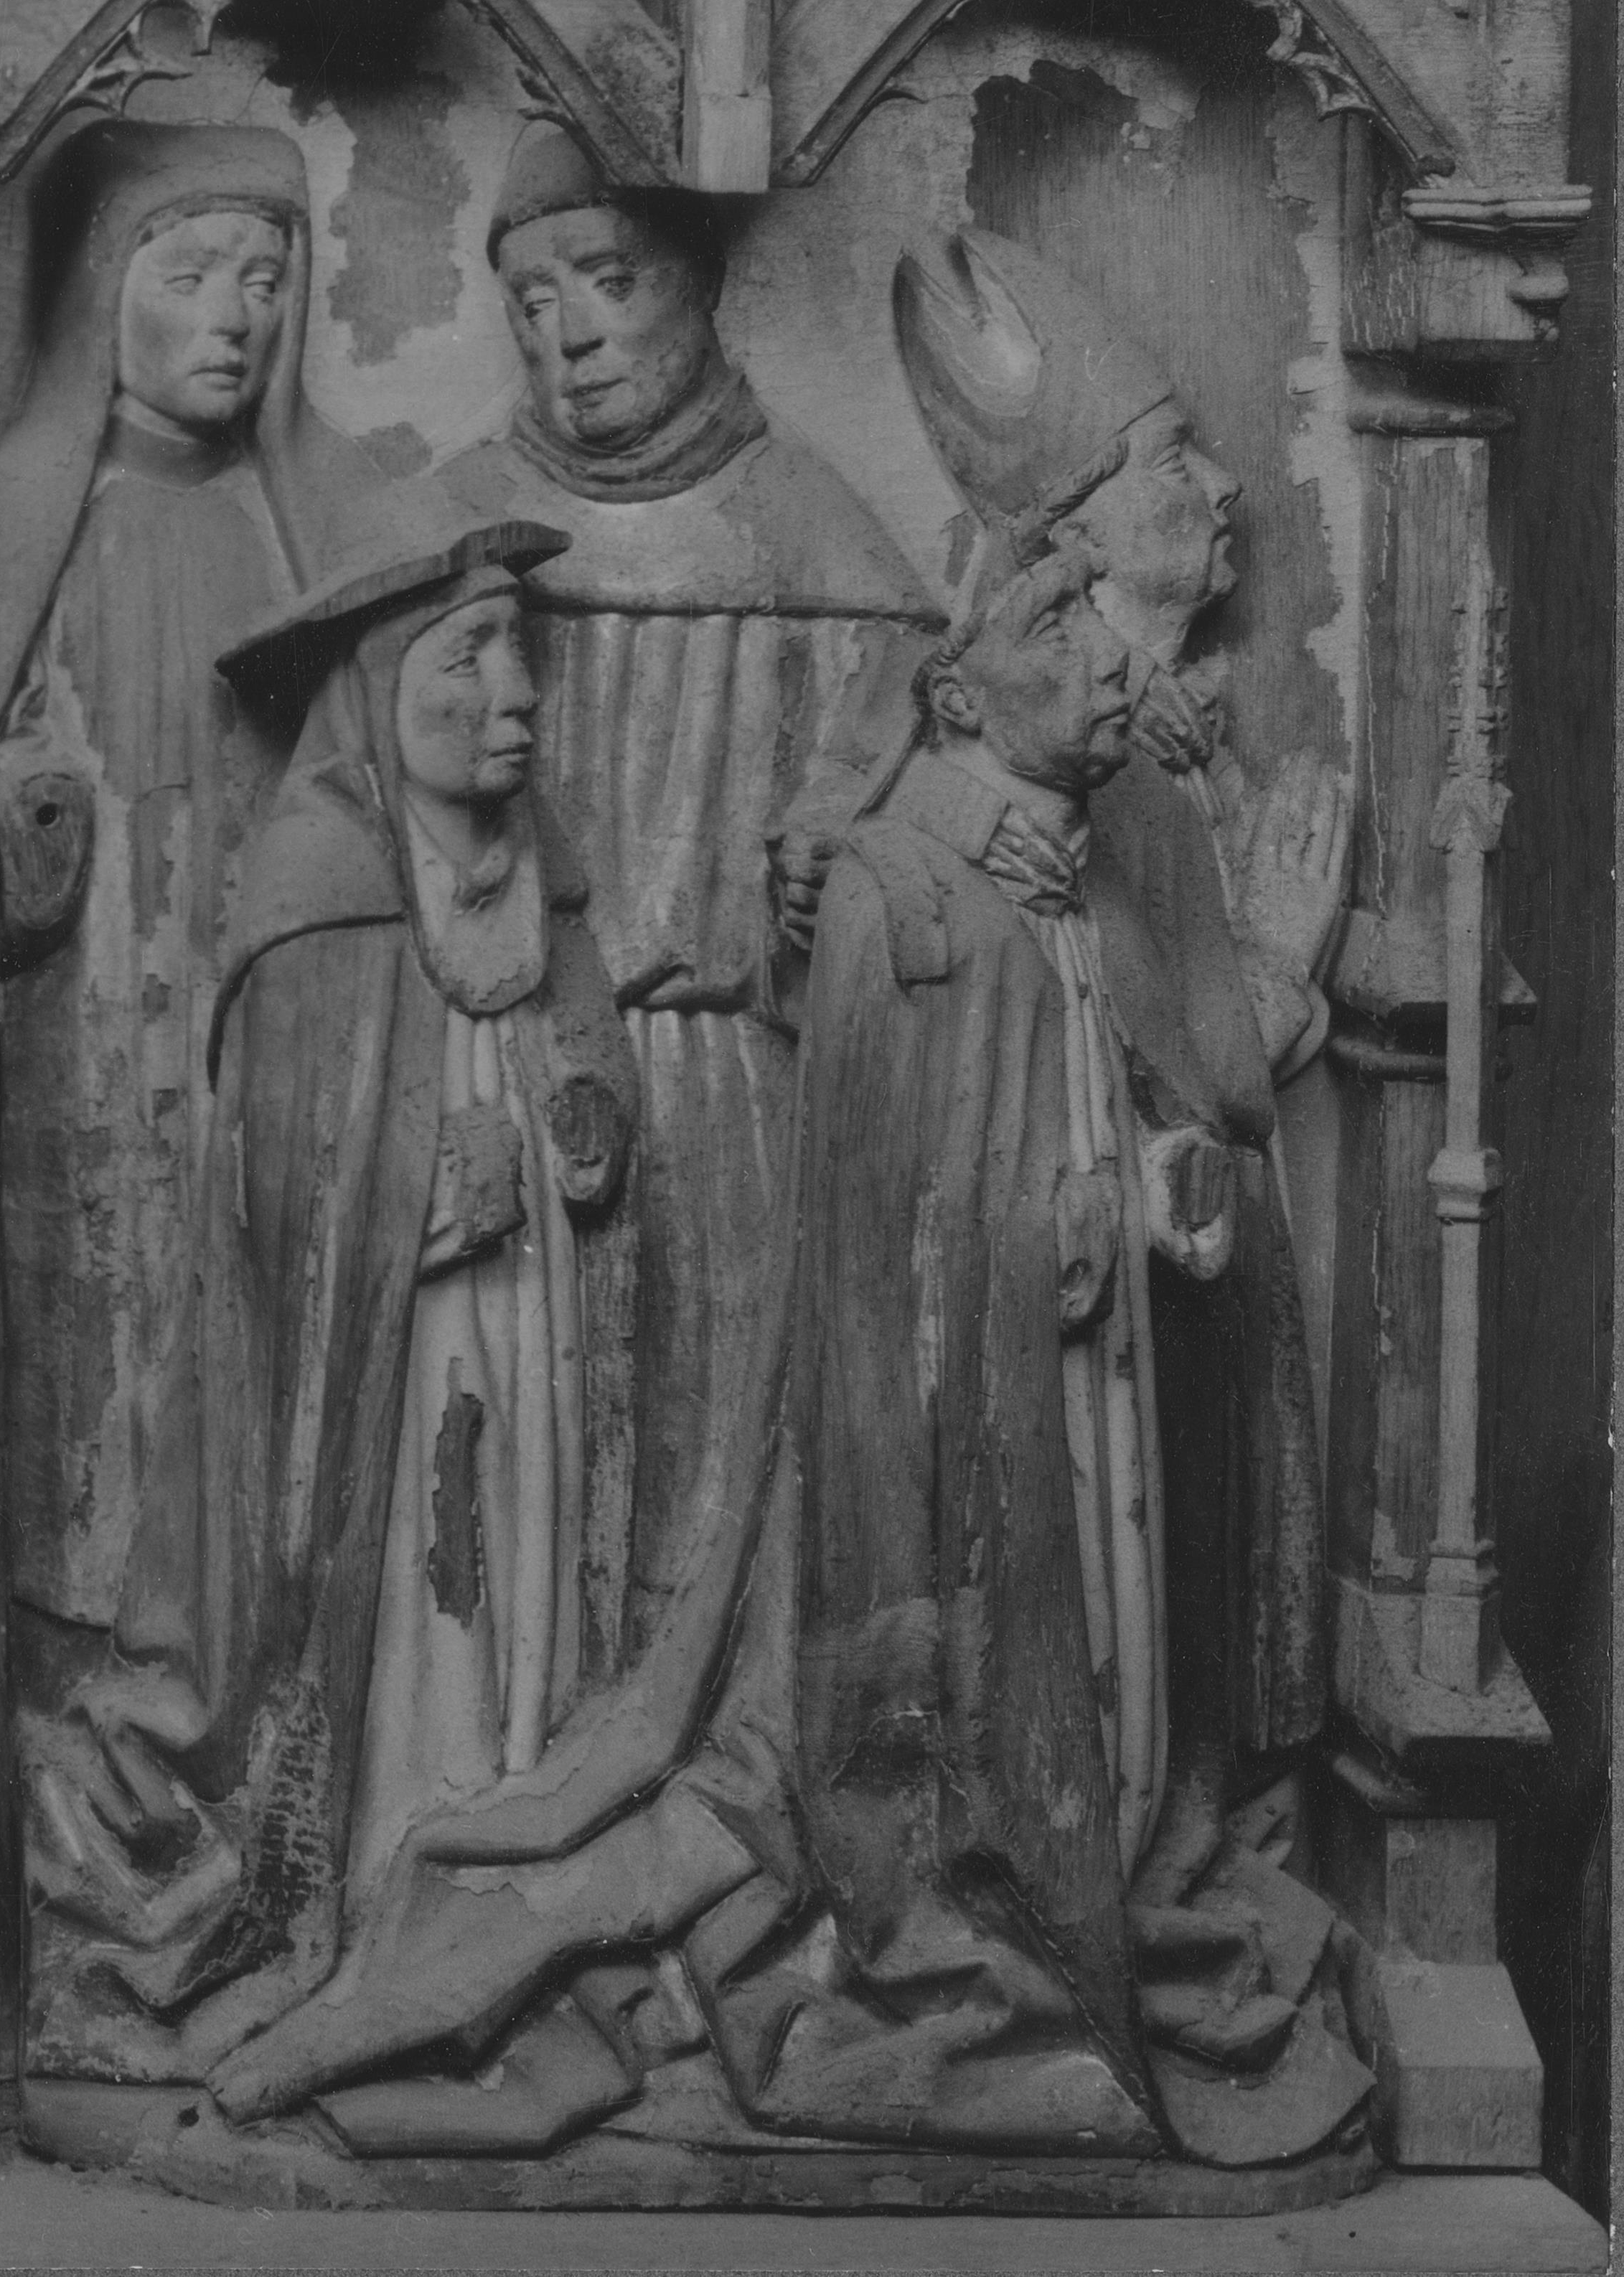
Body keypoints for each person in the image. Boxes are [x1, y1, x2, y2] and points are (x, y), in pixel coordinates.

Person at [27, 517, 771, 2149]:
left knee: (524, 1620)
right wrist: (419, 1194)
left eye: (522, 655)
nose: (515, 694)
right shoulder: (318, 899)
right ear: (377, 699)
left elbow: (590, 1079)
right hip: (390, 1380)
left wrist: (581, 1134)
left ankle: (500, 1905)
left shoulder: (539, 881)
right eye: (468, 658)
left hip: (537, 1350)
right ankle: (377, 1898)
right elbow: (279, 1213)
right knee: (427, 1621)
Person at [700, 537, 1367, 2161]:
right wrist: (1038, 1229)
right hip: (967, 1413)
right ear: (955, 693)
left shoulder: (1094, 867)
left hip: (1104, 1369)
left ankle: (1105, 1897)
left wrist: (1165, 1188)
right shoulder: (902, 889)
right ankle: (1005, 1926)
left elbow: (1152, 1087)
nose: (1103, 650)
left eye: (1090, 612)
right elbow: (878, 1219)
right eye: (1051, 621)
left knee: (1121, 1654)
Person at [416, 122, 935, 1643]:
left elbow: (915, 852)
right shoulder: (452, 529)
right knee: (522, 1485)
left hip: (734, 1086)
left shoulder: (825, 539)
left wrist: (830, 869)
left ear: (700, 281)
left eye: (608, 280)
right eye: (529, 301)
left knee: (717, 1476)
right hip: (515, 1068)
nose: (566, 337)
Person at [893, 229, 1334, 1825]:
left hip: (1177, 1279)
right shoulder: (1083, 766)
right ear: (1072, 535)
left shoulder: (1165, 740)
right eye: (1171, 461)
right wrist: (1276, 963)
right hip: (1104, 1283)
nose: (1222, 485)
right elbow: (1159, 1065)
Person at [0, 121, 380, 1701]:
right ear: (105, 287)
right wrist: (14, 822)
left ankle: (240, 1670)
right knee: (93, 1321)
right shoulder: (20, 511)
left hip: (264, 1002)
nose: (233, 318)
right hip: (76, 1014)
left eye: (266, 282)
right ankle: (74, 1670)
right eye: (192, 272)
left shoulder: (309, 518)